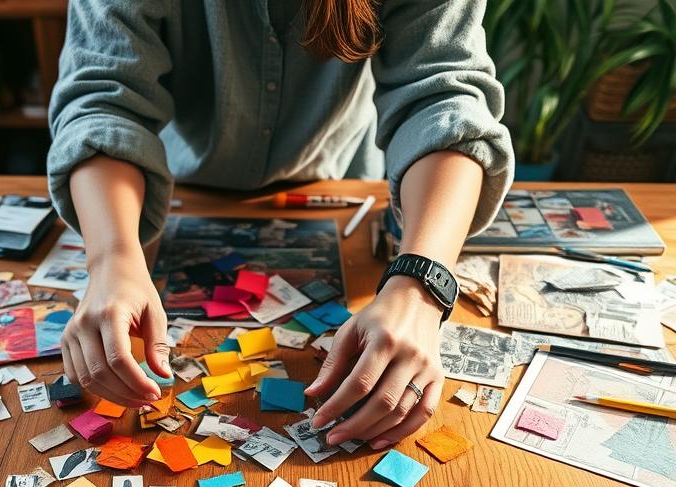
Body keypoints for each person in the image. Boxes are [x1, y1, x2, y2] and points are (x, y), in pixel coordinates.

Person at [48, 0, 514, 448]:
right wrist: (111, 261)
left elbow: (443, 98)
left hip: (339, 188)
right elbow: (105, 102)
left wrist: (421, 283)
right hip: (159, 190)